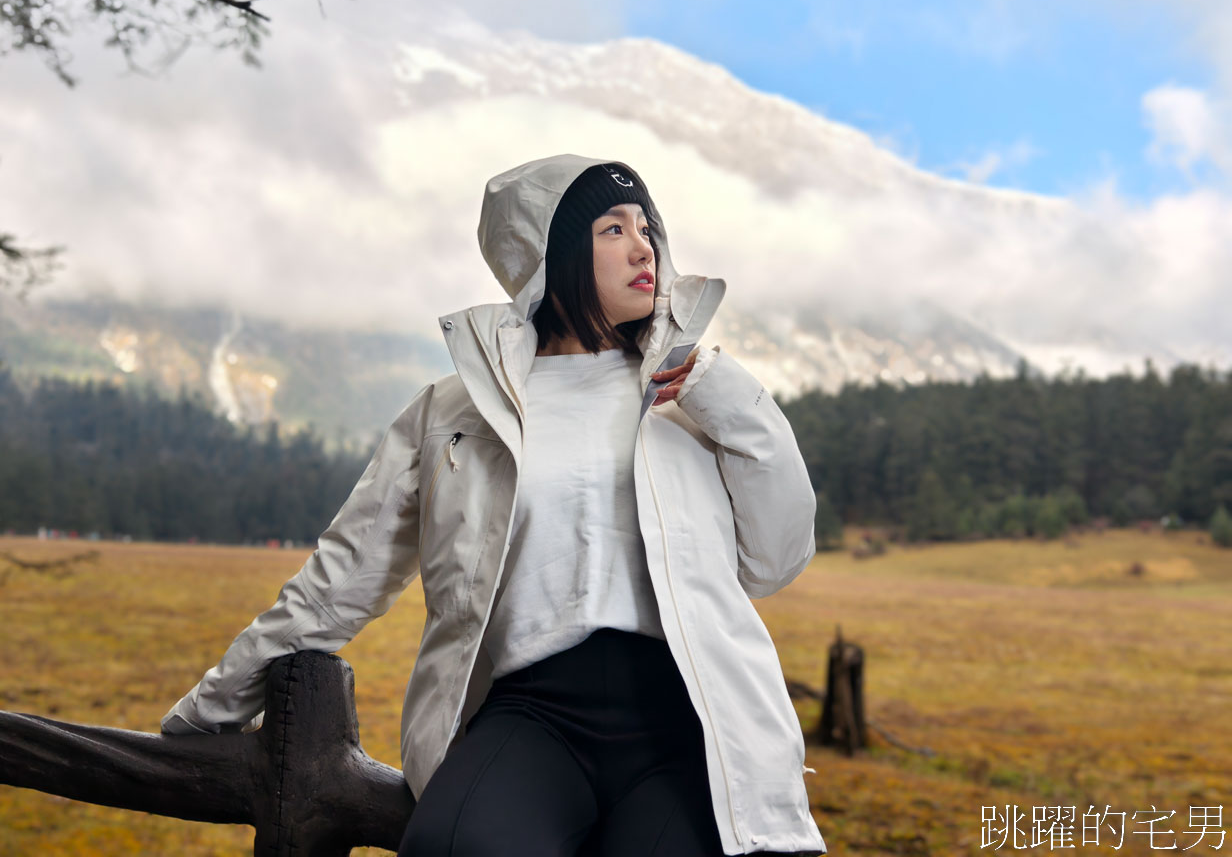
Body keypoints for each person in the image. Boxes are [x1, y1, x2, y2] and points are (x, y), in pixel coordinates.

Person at [161, 154, 827, 857]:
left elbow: (775, 559)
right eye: (611, 229)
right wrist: (208, 709)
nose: (644, 249)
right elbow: (341, 578)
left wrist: (732, 402)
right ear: (551, 256)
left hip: (689, 719)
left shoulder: (694, 396)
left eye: (648, 228)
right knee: (454, 846)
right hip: (532, 715)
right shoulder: (455, 412)